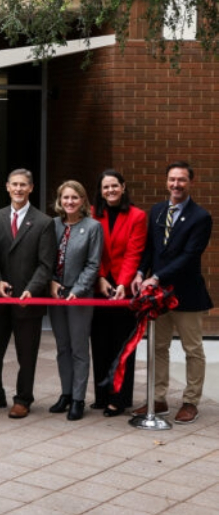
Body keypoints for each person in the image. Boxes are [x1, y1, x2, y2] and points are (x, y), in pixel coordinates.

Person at [132, 160, 213, 424]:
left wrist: (156, 277)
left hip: (187, 295)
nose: (176, 184)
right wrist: (140, 273)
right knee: (158, 347)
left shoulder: (201, 217)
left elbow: (190, 256)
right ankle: (158, 398)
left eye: (181, 180)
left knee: (193, 349)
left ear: (191, 182)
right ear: (166, 182)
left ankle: (191, 401)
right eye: (172, 180)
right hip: (157, 297)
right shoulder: (156, 211)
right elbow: (149, 250)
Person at [0, 168, 56, 418]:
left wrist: (31, 290)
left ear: (31, 188)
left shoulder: (44, 222)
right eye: (15, 184)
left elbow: (46, 264)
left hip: (27, 300)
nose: (19, 189)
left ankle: (23, 398)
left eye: (24, 185)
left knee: (27, 354)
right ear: (7, 187)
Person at [90, 169, 147, 416]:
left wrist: (122, 284)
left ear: (123, 187)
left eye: (114, 186)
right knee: (100, 342)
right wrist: (101, 277)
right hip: (99, 285)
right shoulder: (92, 214)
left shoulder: (137, 216)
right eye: (105, 187)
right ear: (100, 191)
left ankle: (120, 398)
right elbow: (92, 250)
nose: (110, 191)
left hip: (124, 289)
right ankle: (102, 396)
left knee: (122, 345)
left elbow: (134, 252)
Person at [46, 180, 102, 421]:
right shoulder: (52, 225)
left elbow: (93, 264)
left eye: (74, 198)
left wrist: (78, 289)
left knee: (79, 348)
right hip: (55, 292)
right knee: (62, 347)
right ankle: (66, 393)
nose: (69, 202)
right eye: (65, 198)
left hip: (79, 294)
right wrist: (51, 281)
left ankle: (79, 399)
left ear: (83, 201)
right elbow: (45, 257)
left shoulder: (92, 227)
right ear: (60, 201)